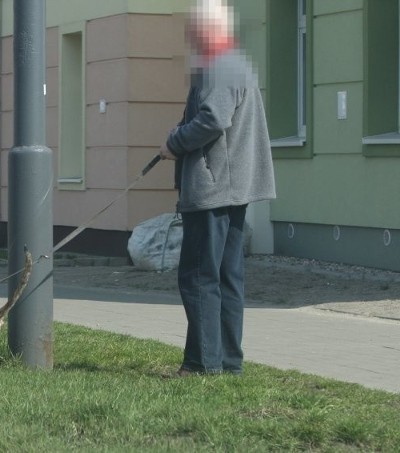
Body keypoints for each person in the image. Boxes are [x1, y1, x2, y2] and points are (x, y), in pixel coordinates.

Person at [159, 0, 276, 376]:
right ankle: (225, 363)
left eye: (194, 29)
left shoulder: (220, 66)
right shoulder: (232, 63)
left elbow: (212, 120)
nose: (189, 36)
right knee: (224, 279)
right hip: (232, 187)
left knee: (197, 277)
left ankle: (203, 365)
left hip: (213, 190)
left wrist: (173, 143)